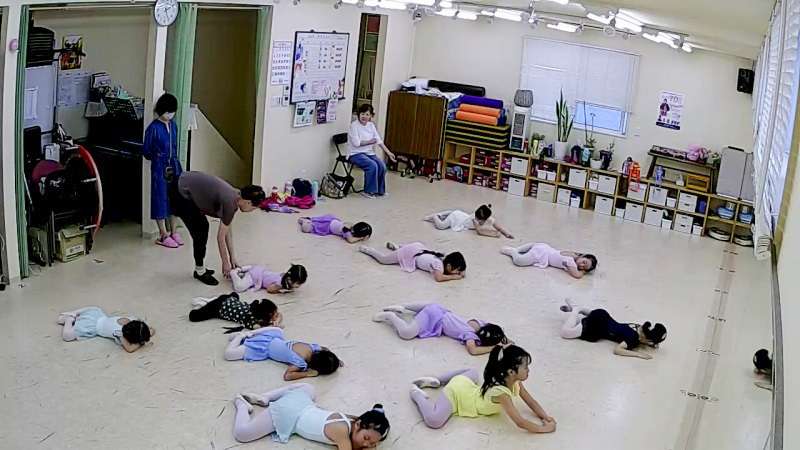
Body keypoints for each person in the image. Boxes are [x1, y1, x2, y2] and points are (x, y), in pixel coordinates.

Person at [409, 345, 556, 433]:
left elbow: (531, 401)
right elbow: (520, 422)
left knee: (472, 372)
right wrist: (544, 429)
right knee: (434, 420)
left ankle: (439, 380)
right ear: (511, 372)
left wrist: (545, 416)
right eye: (525, 367)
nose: (528, 370)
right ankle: (417, 393)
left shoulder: (514, 381)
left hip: (466, 385)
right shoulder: (501, 394)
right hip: (457, 395)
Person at [168, 170, 266, 286]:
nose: (251, 211)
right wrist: (225, 263)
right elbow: (220, 237)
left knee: (201, 227)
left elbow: (227, 230)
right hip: (179, 191)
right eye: (253, 208)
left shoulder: (235, 195)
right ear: (248, 202)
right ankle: (199, 271)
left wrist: (232, 258)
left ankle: (200, 268)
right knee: (201, 230)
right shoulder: (230, 202)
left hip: (184, 183)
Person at [232, 383, 390, 447]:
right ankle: (241, 403)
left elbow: (370, 426)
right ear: (358, 425)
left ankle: (267, 396)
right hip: (288, 414)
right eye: (366, 438)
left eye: (373, 444)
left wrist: (371, 440)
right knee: (242, 434)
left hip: (302, 402)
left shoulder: (354, 419)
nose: (367, 444)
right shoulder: (341, 433)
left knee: (309, 388)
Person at [372, 303, 508, 355]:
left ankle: (404, 307)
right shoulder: (470, 335)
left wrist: (505, 339)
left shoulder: (477, 324)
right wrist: (494, 347)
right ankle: (390, 316)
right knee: (407, 333)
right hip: (434, 318)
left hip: (438, 308)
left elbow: (492, 327)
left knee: (426, 307)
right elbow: (473, 350)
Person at [224, 327, 342, 381]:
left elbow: (325, 348)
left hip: (271, 337)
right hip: (262, 349)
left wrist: (336, 360)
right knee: (229, 355)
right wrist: (307, 374)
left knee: (279, 330)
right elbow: (287, 376)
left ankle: (248, 334)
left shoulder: (312, 347)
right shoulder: (300, 363)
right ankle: (241, 336)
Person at [558, 301, 667, 359]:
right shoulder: (633, 339)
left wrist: (650, 343)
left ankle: (580, 309)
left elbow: (644, 337)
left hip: (602, 314)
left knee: (594, 316)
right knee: (565, 333)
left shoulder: (639, 326)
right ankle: (576, 309)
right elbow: (617, 350)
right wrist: (639, 355)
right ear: (648, 339)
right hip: (595, 327)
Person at [143, 93, 183, 248]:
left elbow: (175, 146)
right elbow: (146, 151)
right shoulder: (153, 128)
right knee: (160, 198)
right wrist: (158, 157)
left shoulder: (174, 126)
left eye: (172, 112)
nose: (170, 115)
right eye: (168, 111)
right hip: (160, 167)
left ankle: (174, 231)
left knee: (175, 197)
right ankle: (163, 234)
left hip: (174, 165)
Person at [348, 104, 396, 198]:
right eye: (362, 114)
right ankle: (369, 191)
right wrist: (370, 142)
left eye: (367, 114)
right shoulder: (354, 125)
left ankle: (380, 191)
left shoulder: (371, 125)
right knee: (372, 165)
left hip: (369, 153)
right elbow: (357, 143)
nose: (364, 116)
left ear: (371, 116)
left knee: (382, 166)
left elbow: (379, 141)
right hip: (355, 153)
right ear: (358, 114)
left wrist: (389, 153)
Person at [57, 307, 154, 353]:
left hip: (97, 315)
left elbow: (151, 330)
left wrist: (147, 334)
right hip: (92, 326)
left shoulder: (133, 319)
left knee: (90, 310)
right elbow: (130, 349)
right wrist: (142, 342)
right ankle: (69, 319)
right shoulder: (120, 333)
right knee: (67, 336)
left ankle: (74, 314)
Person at [359, 242, 466, 283]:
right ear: (449, 266)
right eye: (457, 270)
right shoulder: (439, 266)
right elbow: (439, 278)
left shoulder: (444, 258)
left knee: (402, 251)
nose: (458, 273)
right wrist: (454, 277)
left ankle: (397, 247)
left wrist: (460, 272)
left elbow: (461, 270)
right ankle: (368, 250)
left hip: (417, 249)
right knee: (383, 260)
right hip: (410, 253)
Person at [188, 292, 283, 332]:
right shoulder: (251, 321)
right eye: (274, 314)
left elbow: (280, 315)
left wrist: (276, 321)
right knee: (194, 316)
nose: (277, 315)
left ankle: (213, 301)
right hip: (218, 308)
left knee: (235, 295)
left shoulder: (255, 309)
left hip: (230, 299)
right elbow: (259, 330)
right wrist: (274, 326)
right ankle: (208, 303)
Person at [500, 243, 596, 279]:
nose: (581, 266)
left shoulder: (573, 255)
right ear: (583, 255)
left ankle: (517, 249)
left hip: (545, 247)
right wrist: (583, 272)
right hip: (542, 255)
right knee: (519, 261)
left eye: (584, 267)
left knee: (533, 245)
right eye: (584, 262)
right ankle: (513, 252)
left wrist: (583, 268)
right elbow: (577, 275)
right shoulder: (571, 262)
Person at [424, 204, 514, 238]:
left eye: (481, 220)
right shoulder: (474, 218)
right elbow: (479, 231)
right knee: (441, 226)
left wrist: (506, 234)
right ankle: (435, 216)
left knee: (453, 213)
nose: (479, 222)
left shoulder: (489, 219)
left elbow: (498, 227)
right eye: (478, 219)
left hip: (461, 215)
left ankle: (446, 213)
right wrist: (493, 234)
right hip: (456, 218)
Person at [229, 264, 308, 294]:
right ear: (290, 280)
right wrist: (279, 291)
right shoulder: (280, 284)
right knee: (239, 288)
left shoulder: (285, 276)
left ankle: (244, 270)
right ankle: (233, 273)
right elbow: (269, 289)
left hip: (259, 271)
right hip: (256, 277)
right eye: (298, 283)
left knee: (249, 273)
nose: (299, 286)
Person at [298, 215, 372, 243]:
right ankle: (305, 221)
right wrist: (360, 238)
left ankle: (308, 219)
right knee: (306, 228)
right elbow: (351, 240)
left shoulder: (350, 227)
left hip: (332, 220)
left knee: (317, 221)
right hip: (327, 226)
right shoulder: (347, 231)